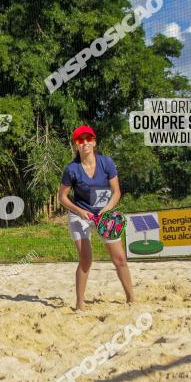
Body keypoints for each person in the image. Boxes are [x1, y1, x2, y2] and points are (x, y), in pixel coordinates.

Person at [56, 125, 135, 310]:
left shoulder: (106, 162)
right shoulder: (71, 169)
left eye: (88, 139)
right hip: (80, 215)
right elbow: (62, 198)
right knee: (86, 260)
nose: (85, 143)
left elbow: (116, 192)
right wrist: (79, 211)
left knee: (120, 259)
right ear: (76, 145)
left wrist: (107, 209)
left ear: (94, 141)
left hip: (104, 215)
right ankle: (80, 304)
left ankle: (131, 298)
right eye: (80, 140)